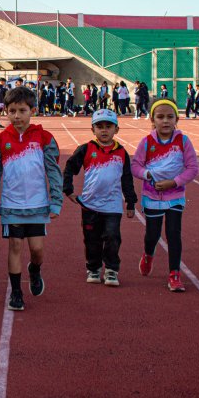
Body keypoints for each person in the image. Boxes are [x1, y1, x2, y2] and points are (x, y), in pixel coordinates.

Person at [0, 87, 62, 311]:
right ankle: (17, 293)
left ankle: (35, 270)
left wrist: (55, 199)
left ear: (33, 111)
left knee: (37, 250)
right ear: (6, 112)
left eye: (22, 110)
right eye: (12, 111)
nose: (17, 116)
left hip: (38, 205)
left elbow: (53, 170)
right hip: (11, 206)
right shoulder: (0, 140)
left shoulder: (44, 138)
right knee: (15, 246)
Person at [131, 98, 199, 291]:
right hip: (152, 197)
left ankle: (174, 274)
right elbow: (135, 166)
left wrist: (174, 182)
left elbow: (193, 168)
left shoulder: (183, 141)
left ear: (176, 118)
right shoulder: (147, 142)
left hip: (175, 196)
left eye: (170, 116)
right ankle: (148, 254)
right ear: (153, 119)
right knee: (152, 234)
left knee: (173, 234)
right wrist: (148, 174)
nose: (166, 121)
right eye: (160, 117)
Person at [63, 109, 136, 286]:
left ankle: (111, 270)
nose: (104, 130)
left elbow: (127, 178)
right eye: (100, 127)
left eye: (108, 126)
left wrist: (131, 202)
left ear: (116, 130)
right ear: (92, 130)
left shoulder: (121, 152)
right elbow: (70, 167)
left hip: (112, 206)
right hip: (90, 205)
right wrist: (68, 189)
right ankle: (93, 268)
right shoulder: (86, 149)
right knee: (91, 239)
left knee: (112, 236)